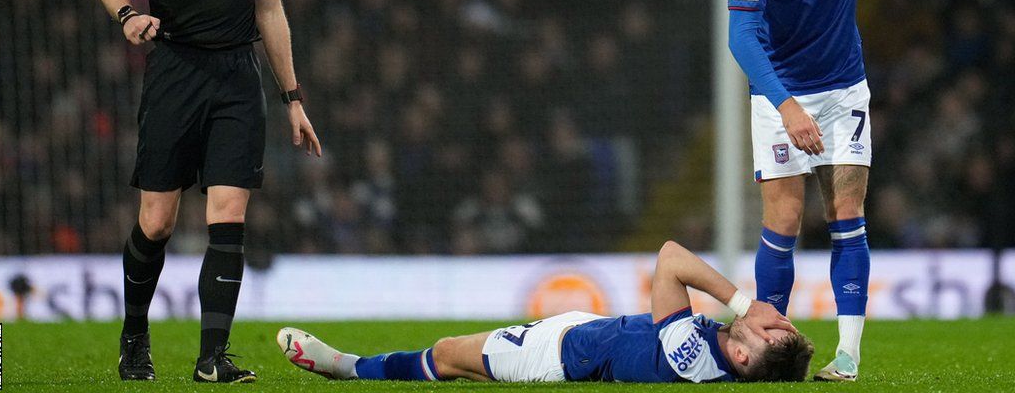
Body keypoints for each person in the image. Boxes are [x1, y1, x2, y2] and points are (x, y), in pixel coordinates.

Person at [726, 0, 959, 382]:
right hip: (782, 95)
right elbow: (741, 34)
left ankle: (848, 356)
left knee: (847, 217)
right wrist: (786, 106)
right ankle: (770, 345)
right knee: (782, 221)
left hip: (845, 88)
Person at [99, 0, 322, 383]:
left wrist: (292, 96)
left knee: (229, 213)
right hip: (175, 72)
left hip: (237, 80)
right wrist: (128, 16)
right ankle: (134, 336)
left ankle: (211, 359)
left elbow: (270, 9)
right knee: (157, 222)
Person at [277, 240, 813, 383]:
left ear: (742, 358)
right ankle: (353, 364)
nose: (773, 320)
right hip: (578, 333)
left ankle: (343, 366)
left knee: (445, 356)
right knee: (451, 358)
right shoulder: (726, 348)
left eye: (771, 334)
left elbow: (670, 258)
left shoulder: (692, 358)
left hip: (555, 356)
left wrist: (746, 302)